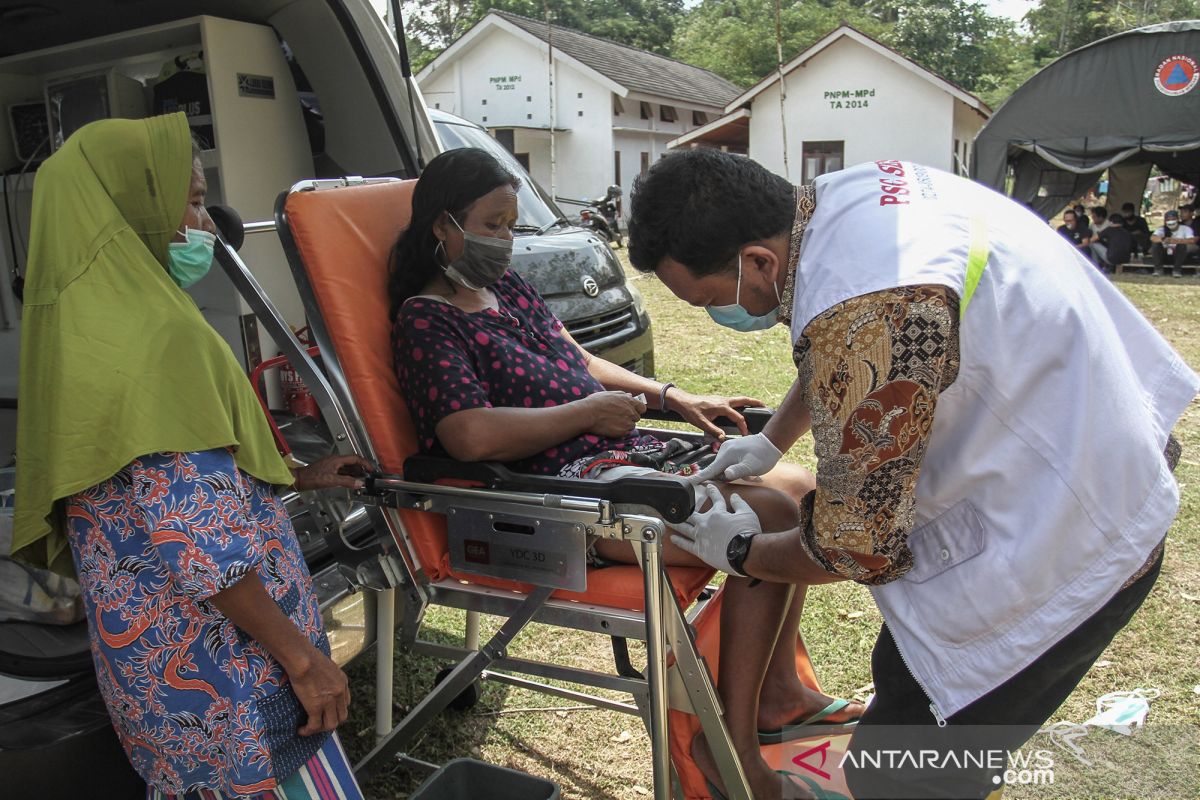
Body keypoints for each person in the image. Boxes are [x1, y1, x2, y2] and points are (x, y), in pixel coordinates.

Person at [626, 149, 1198, 799]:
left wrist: (741, 551)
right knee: (906, 686)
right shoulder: (847, 201)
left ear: (759, 260)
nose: (716, 315)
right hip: (1082, 463)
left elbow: (856, 546)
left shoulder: (870, 307)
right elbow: (837, 349)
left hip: (1062, 542)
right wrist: (771, 439)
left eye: (710, 300)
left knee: (906, 774)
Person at [387, 148, 863, 800]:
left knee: (801, 486)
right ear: (443, 226)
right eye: (493, 224)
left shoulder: (506, 291)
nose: (506, 239)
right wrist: (584, 413)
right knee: (774, 514)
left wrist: (669, 396)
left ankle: (777, 693)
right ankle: (731, 745)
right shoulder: (426, 320)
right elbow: (466, 435)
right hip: (553, 492)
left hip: (613, 460)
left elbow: (574, 356)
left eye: (510, 223)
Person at [13, 113, 372, 799]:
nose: (207, 224)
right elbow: (198, 543)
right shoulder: (161, 340)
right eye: (195, 200)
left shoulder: (73, 338)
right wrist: (303, 661)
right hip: (229, 673)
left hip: (151, 676)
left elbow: (135, 490)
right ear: (132, 207)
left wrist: (292, 476)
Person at [1150, 209, 1197, 277]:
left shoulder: (1185, 229)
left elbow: (1192, 240)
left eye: (1173, 219)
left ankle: (1177, 271)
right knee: (1155, 245)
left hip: (1180, 256)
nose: (1171, 221)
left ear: (1177, 219)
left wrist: (1174, 241)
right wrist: (1163, 240)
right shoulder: (1161, 229)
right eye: (1168, 220)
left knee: (1182, 246)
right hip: (1165, 255)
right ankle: (1158, 270)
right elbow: (1153, 238)